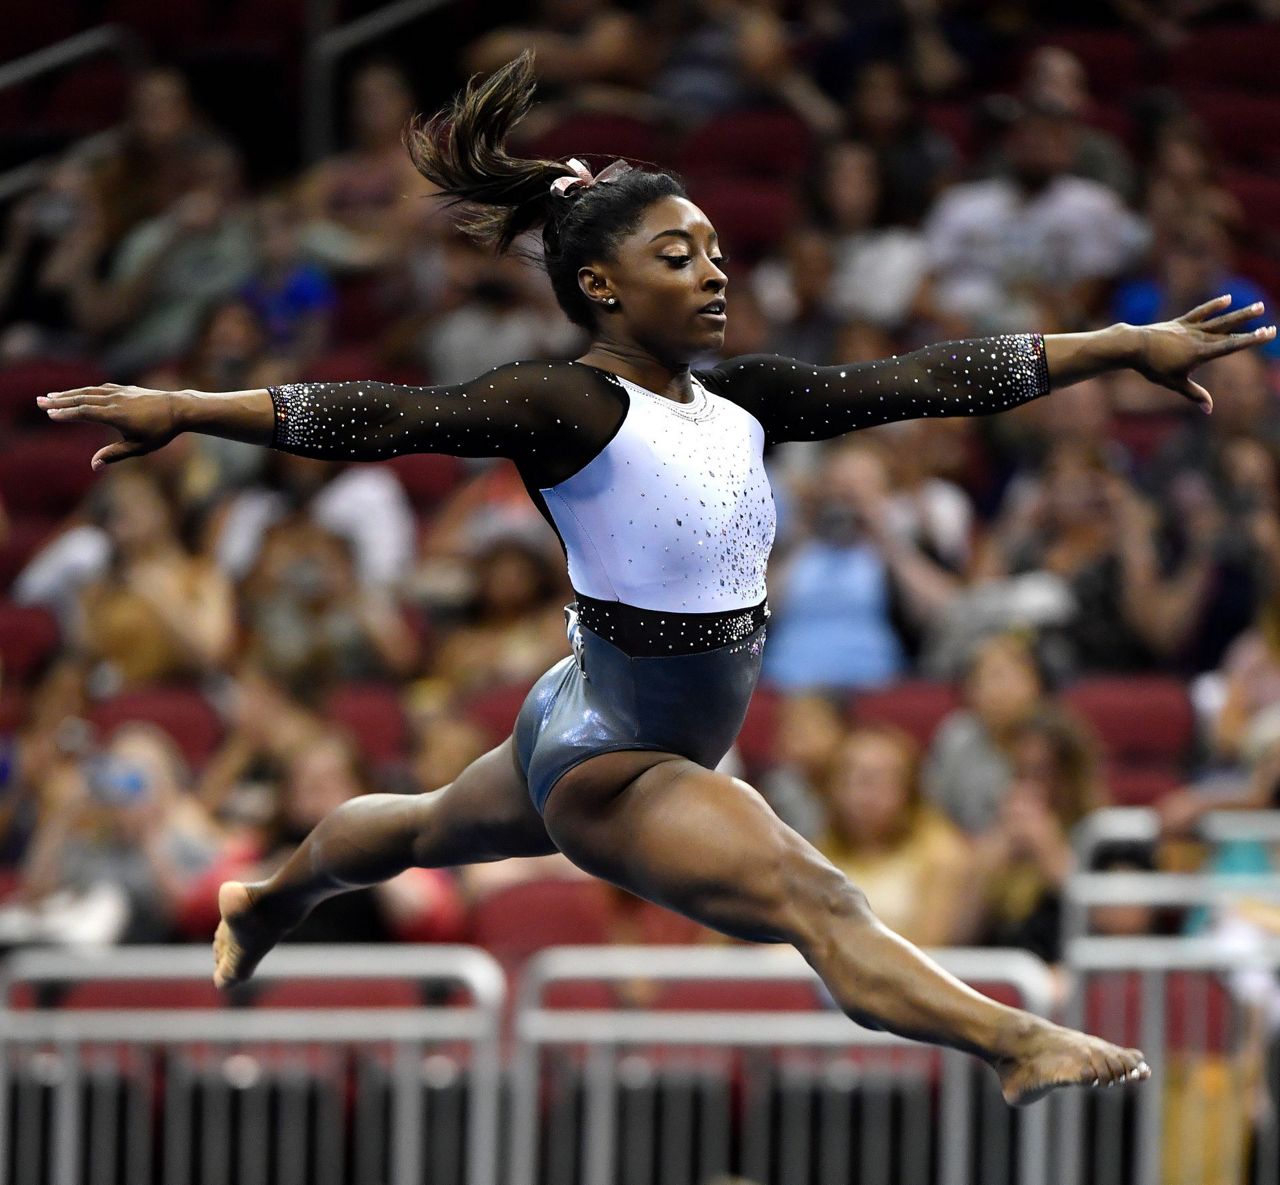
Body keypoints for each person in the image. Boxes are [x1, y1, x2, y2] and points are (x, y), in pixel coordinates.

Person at [42, 53, 1274, 1104]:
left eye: (716, 251)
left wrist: (1122, 344)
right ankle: (1008, 1044)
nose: (713, 272)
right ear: (600, 285)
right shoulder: (567, 403)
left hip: (577, 704)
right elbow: (386, 413)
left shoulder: (739, 400)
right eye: (678, 255)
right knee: (813, 895)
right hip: (620, 758)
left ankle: (268, 893)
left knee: (421, 825)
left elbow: (932, 377)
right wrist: (186, 407)